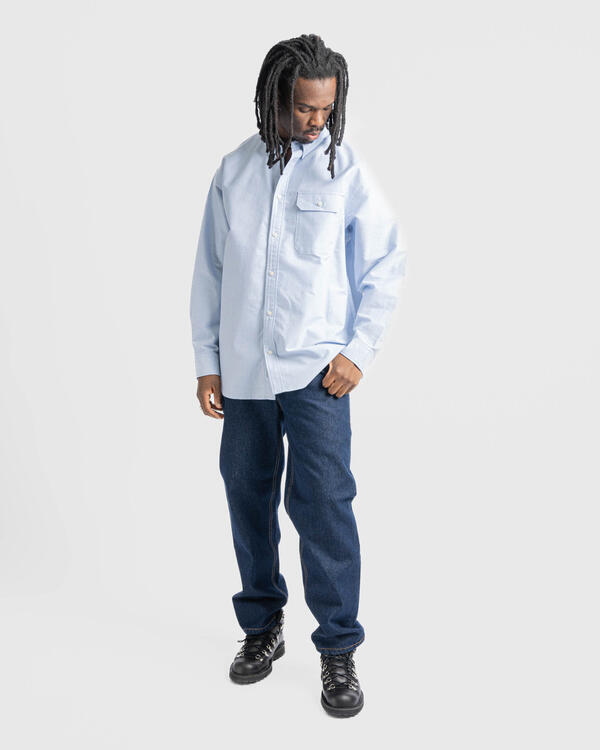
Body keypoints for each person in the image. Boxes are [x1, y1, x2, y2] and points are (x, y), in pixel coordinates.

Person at [190, 33, 407, 718]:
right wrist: (207, 362)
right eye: (304, 108)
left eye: (326, 109)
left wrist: (358, 352)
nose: (317, 121)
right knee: (247, 501)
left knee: (324, 507)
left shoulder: (346, 172)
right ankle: (262, 628)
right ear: (274, 97)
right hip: (244, 373)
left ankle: (338, 648)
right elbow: (210, 272)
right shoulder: (234, 172)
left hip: (317, 374)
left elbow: (386, 264)